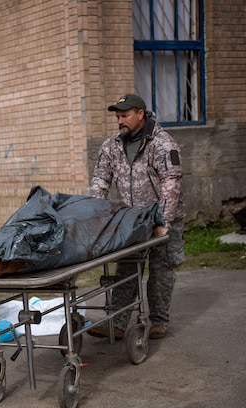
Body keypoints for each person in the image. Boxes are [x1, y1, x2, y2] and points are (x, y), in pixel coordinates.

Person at [89, 94, 186, 339]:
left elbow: (171, 183)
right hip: (131, 220)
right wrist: (96, 217)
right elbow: (100, 180)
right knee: (126, 269)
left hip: (162, 217)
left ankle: (159, 321)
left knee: (161, 269)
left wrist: (163, 221)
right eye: (118, 116)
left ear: (140, 114)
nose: (120, 120)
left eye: (125, 116)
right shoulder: (111, 146)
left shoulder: (162, 144)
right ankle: (118, 323)